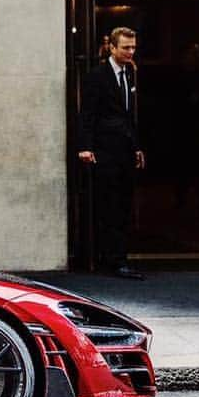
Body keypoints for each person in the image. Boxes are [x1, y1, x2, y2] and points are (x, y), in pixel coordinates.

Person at [78, 27, 146, 279]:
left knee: (124, 203)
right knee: (109, 204)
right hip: (104, 149)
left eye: (133, 47)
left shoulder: (130, 73)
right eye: (126, 47)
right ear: (112, 48)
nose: (131, 52)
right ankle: (112, 259)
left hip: (125, 148)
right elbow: (87, 112)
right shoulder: (97, 75)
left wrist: (137, 145)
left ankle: (119, 256)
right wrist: (84, 146)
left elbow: (130, 114)